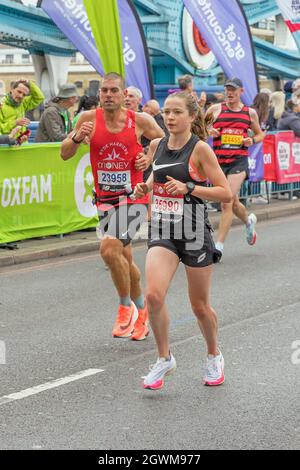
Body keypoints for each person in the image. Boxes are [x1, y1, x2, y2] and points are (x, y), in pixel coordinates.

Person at [133, 91, 231, 390]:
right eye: (166, 112)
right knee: (153, 296)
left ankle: (213, 354)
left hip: (192, 232)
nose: (170, 117)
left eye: (177, 112)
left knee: (199, 306)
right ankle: (164, 359)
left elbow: (225, 193)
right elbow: (156, 177)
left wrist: (189, 187)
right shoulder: (156, 144)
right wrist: (143, 189)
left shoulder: (200, 150)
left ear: (191, 117)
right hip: (163, 229)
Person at [60, 72, 164, 341]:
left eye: (113, 91)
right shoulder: (87, 120)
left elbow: (166, 144)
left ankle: (125, 306)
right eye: (104, 90)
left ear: (123, 95)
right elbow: (64, 153)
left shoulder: (140, 121)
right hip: (105, 200)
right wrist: (75, 138)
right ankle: (143, 312)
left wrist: (148, 157)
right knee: (123, 259)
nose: (107, 94)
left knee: (108, 249)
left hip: (133, 197)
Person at [205, 77, 265, 255]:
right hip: (218, 162)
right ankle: (248, 221)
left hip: (238, 161)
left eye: (233, 90)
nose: (230, 93)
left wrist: (251, 140)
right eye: (227, 89)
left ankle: (219, 247)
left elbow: (260, 135)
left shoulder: (249, 113)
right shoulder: (215, 110)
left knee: (226, 201)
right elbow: (199, 127)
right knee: (234, 202)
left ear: (241, 92)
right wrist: (208, 130)